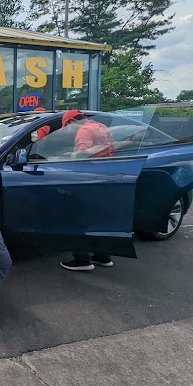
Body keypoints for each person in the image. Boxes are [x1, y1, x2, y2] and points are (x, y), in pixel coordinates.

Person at [58, 109, 116, 271]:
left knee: (77, 218)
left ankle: (82, 260)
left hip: (89, 178)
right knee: (99, 219)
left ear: (71, 122)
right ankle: (103, 256)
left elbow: (82, 156)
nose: (68, 131)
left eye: (66, 127)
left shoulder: (83, 131)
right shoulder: (101, 126)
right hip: (107, 176)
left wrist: (69, 156)